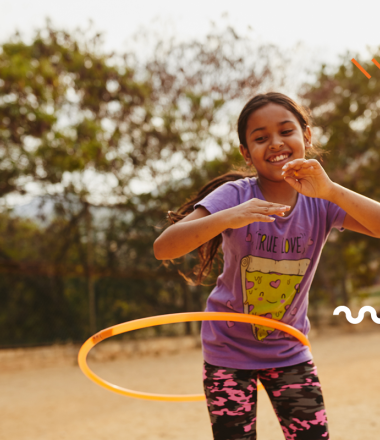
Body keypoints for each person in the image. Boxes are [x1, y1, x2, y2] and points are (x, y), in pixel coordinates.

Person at [153, 92, 380, 440]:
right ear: (246, 152)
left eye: (286, 131)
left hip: (289, 350)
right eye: (260, 138)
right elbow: (164, 247)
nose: (275, 143)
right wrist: (228, 217)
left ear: (306, 135)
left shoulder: (321, 202)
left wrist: (332, 190)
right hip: (227, 350)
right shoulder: (235, 195)